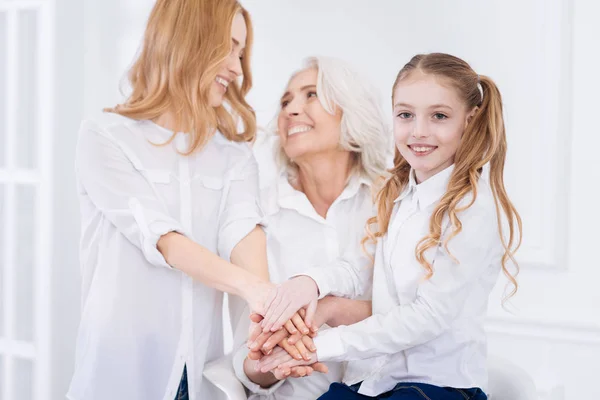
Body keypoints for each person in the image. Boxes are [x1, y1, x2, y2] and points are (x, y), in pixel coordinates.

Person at [257, 53, 522, 400]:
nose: (419, 131)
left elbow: (427, 316)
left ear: (469, 122)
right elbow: (358, 267)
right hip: (375, 380)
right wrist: (309, 284)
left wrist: (322, 346)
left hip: (438, 387)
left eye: (439, 116)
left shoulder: (473, 208)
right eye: (405, 115)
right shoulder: (397, 197)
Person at [68, 1, 276, 399]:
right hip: (121, 375)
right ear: (188, 41)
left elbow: (243, 231)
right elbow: (163, 239)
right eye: (228, 47)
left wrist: (272, 320)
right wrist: (257, 290)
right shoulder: (105, 137)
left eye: (241, 53)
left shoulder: (234, 157)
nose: (236, 68)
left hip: (201, 379)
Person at [231, 56, 391, 399]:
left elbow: (420, 314)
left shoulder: (391, 203)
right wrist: (265, 363)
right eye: (285, 101)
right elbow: (243, 360)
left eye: (311, 95)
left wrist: (328, 308)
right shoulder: (256, 214)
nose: (291, 110)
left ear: (351, 111)